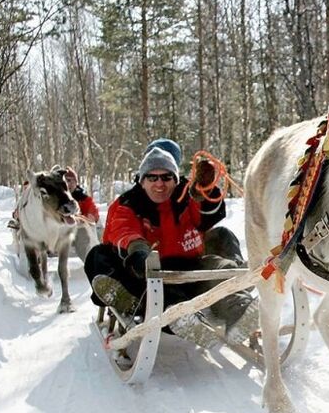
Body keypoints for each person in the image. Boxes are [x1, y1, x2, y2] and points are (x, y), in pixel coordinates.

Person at [84, 139, 258, 349]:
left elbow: (206, 215)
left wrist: (207, 191)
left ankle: (239, 310)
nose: (160, 183)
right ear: (142, 180)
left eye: (166, 177)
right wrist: (138, 249)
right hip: (152, 270)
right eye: (152, 177)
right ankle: (180, 318)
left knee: (218, 269)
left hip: (191, 265)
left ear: (175, 179)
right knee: (149, 285)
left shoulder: (185, 195)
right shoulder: (129, 202)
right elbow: (123, 228)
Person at [64, 166, 100, 259]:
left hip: (77, 233)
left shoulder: (84, 199)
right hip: (59, 233)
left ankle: (91, 261)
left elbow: (93, 214)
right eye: (65, 181)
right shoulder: (54, 198)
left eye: (70, 180)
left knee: (83, 231)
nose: (67, 184)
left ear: (76, 182)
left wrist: (90, 217)